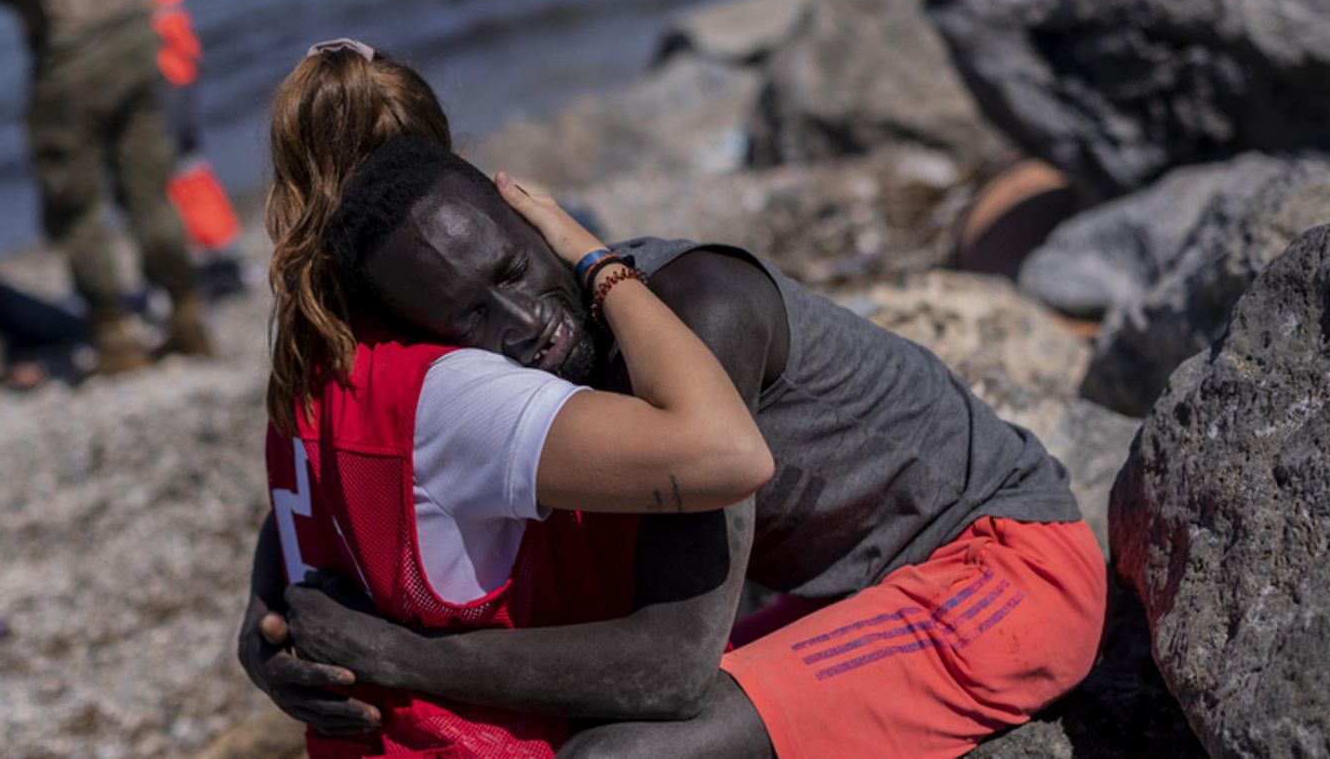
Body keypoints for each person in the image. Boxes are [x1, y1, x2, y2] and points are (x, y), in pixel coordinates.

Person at [240, 45, 1108, 757]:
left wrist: (402, 658)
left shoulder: (698, 310)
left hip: (996, 571)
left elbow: (672, 668)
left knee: (615, 755)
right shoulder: (495, 352)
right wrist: (271, 616)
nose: (524, 324)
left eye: (514, 270)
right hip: (858, 590)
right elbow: (333, 462)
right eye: (470, 316)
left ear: (528, 214)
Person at [254, 42, 771, 756]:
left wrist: (265, 614)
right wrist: (600, 265)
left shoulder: (308, 369)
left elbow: (314, 511)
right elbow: (728, 457)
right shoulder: (455, 391)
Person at [0, 0, 212, 373]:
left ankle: (114, 336)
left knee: (75, 201)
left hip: (72, 60)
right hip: (135, 45)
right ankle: (186, 311)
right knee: (150, 189)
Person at [121, 0, 247, 296]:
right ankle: (213, 254)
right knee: (180, 159)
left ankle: (218, 256)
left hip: (162, 54)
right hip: (166, 49)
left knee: (177, 159)